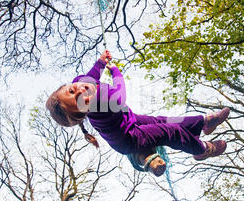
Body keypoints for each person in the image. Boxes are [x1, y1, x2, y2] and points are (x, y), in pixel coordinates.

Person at [46, 50, 230, 176]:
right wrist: (116, 72)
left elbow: (93, 74)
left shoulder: (80, 81)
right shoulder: (102, 103)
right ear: (84, 112)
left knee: (164, 120)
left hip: (130, 120)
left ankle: (203, 122)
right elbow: (120, 93)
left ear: (69, 85)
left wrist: (101, 61)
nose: (80, 91)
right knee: (170, 131)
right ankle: (202, 149)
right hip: (129, 138)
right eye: (79, 100)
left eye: (72, 90)